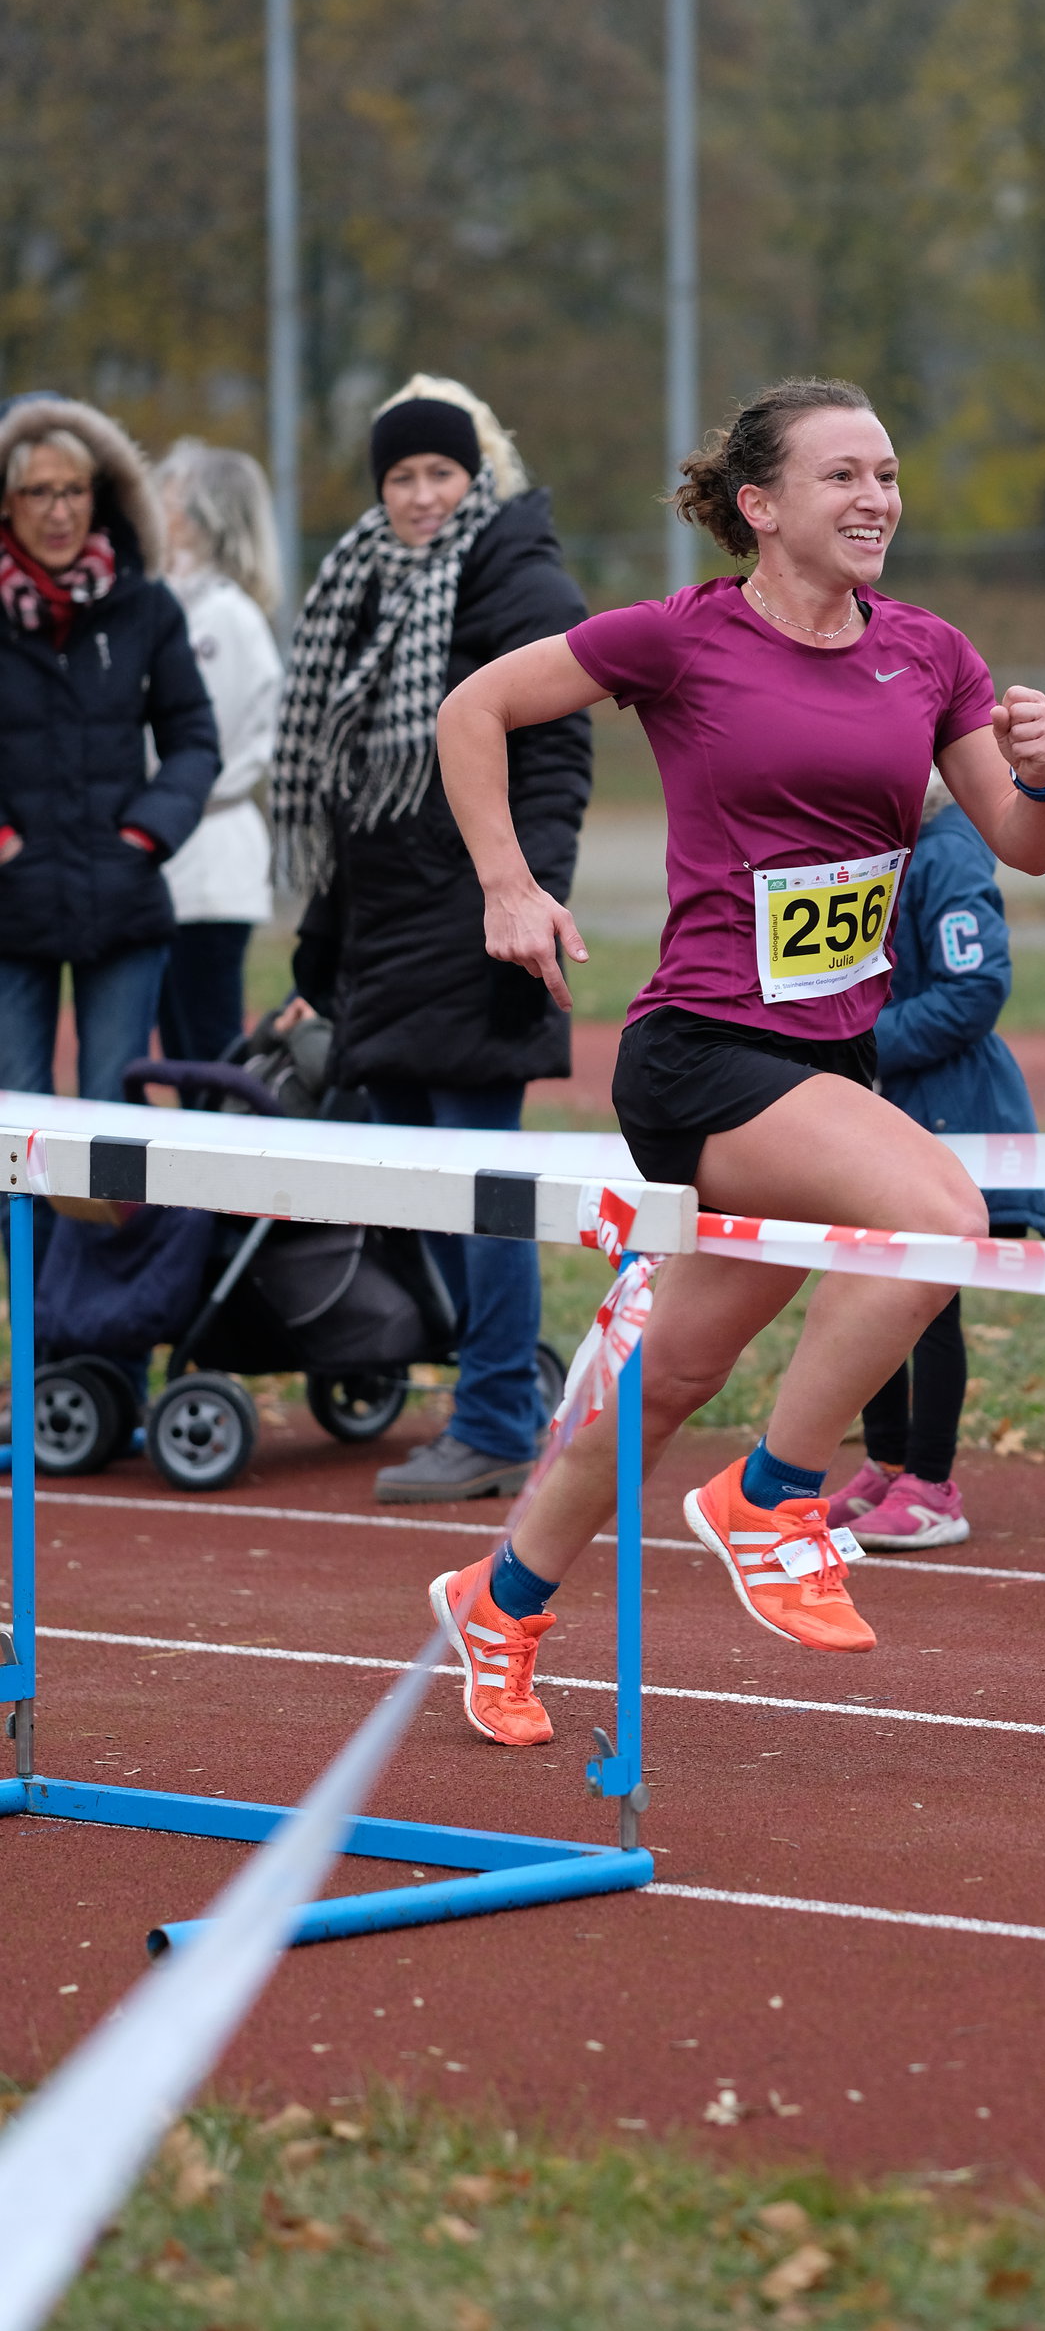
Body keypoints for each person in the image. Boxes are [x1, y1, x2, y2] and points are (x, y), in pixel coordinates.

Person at [422, 375, 1045, 1747]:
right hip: (703, 1054)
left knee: (666, 1380)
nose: (876, 498)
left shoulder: (930, 654)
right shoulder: (681, 639)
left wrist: (1043, 771)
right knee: (940, 1213)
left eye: (886, 474)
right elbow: (472, 709)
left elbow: (1023, 846)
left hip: (830, 1064)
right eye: (844, 476)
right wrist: (508, 885)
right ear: (761, 506)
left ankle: (500, 1600)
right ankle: (773, 1496)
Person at [271, 376, 592, 1505]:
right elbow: (347, 789)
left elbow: (555, 760)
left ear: (477, 474)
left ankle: (497, 1416)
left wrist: (527, 904)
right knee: (429, 1188)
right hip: (387, 934)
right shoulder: (364, 575)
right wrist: (322, 952)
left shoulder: (513, 574)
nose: (419, 496)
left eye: (440, 473)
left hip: (474, 929)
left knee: (484, 1190)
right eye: (400, 476)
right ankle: (497, 1394)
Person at [827, 771, 1045, 1549]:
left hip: (953, 1110)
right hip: (882, 1110)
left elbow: (975, 988)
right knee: (867, 1285)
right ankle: (888, 1463)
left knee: (927, 1301)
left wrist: (859, 1044)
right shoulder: (879, 848)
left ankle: (931, 1484)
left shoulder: (949, 853)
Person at [0, 395, 219, 1106]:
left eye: (75, 490)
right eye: (38, 491)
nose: (59, 511)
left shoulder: (145, 605)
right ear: (6, 501)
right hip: (9, 902)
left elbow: (193, 736)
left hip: (122, 896)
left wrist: (145, 835)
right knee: (15, 1114)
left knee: (110, 1119)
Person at [154, 439, 283, 1072]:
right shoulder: (185, 607)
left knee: (207, 1048)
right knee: (181, 1043)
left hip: (209, 858)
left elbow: (208, 737)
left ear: (201, 516)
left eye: (170, 497)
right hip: (180, 853)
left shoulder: (223, 618)